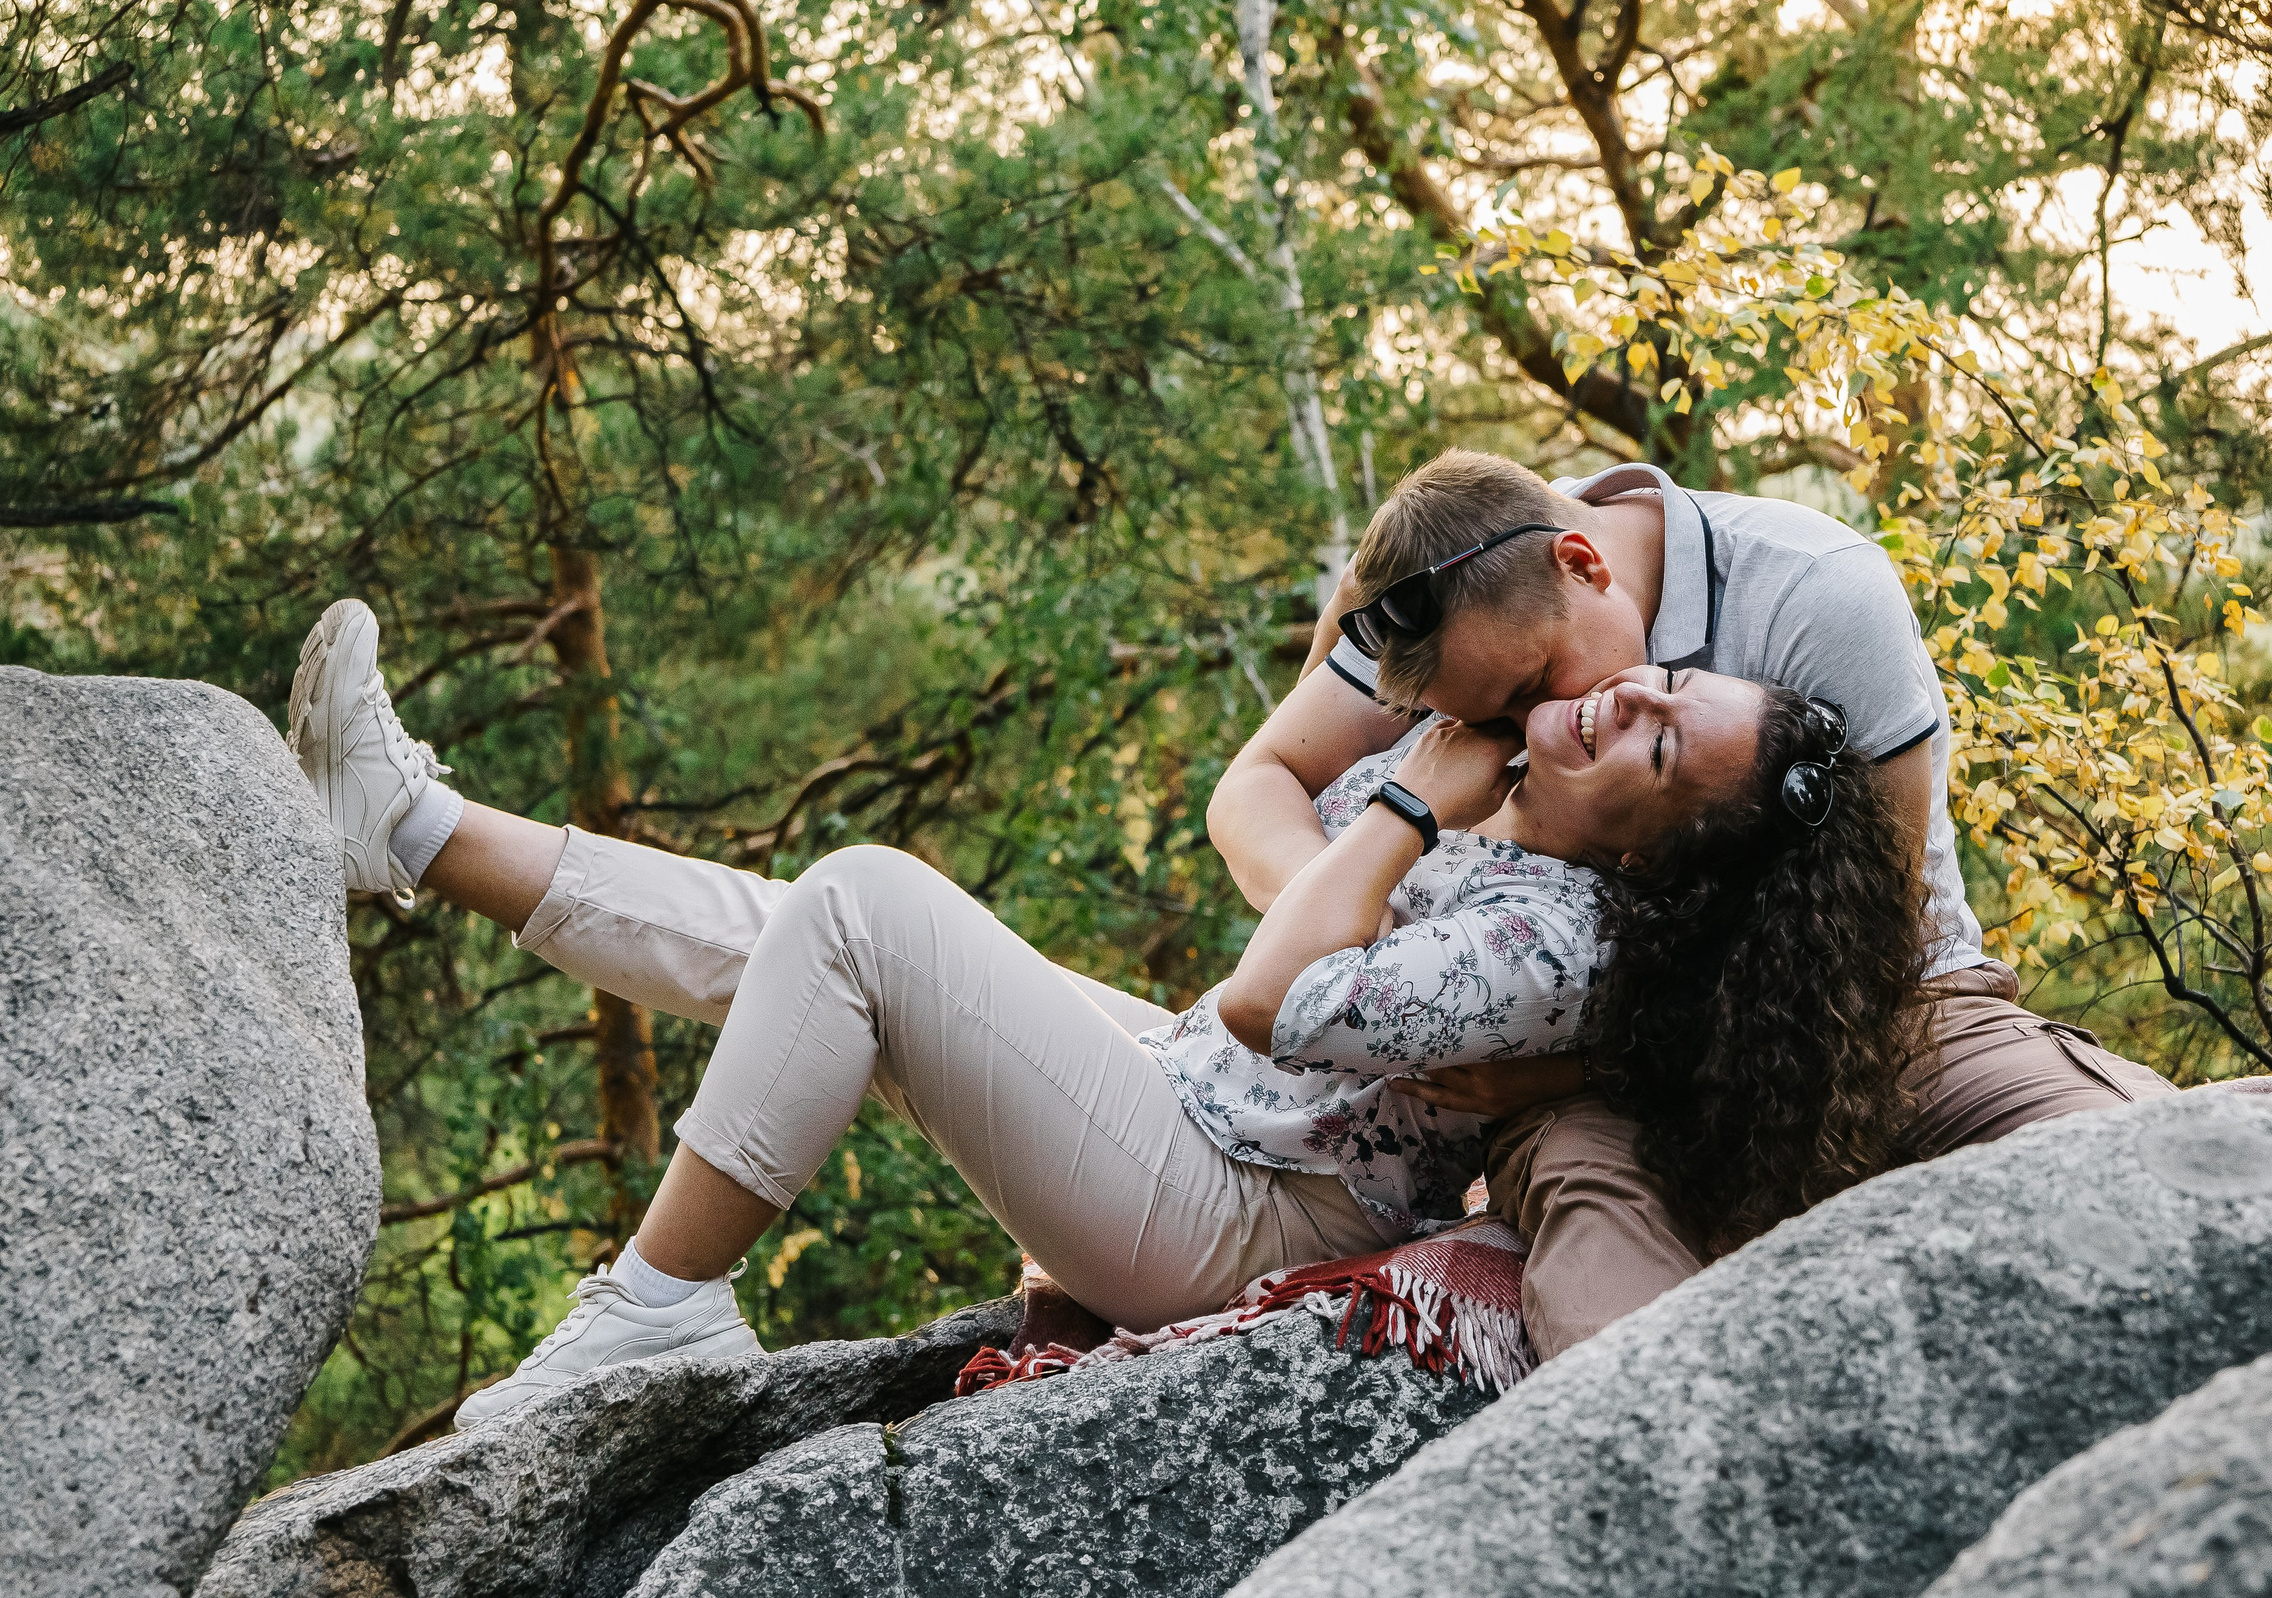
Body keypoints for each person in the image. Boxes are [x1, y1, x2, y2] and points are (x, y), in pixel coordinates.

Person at [286, 596, 1914, 1428]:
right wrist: (1460, 744)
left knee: (863, 901)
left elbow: (1274, 995)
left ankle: (656, 1308)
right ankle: (411, 831)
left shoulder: (1557, 946)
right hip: (1207, 1106)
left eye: (1654, 746)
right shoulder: (1526, 821)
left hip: (1233, 1206)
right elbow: (1304, 829)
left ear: (1666, 857)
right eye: (1670, 682)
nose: (1630, 700)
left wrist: (1412, 815)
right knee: (804, 933)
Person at [1210, 449, 2173, 1360]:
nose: (1533, 731)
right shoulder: (1449, 603)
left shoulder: (1813, 592)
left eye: (1536, 687)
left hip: (1892, 1009)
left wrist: (1596, 1062)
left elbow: (1869, 942)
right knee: (1604, 1266)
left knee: (2119, 1164)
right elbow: (1259, 784)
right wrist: (1369, 946)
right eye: (1486, 722)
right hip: (1561, 1070)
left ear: (1584, 564)